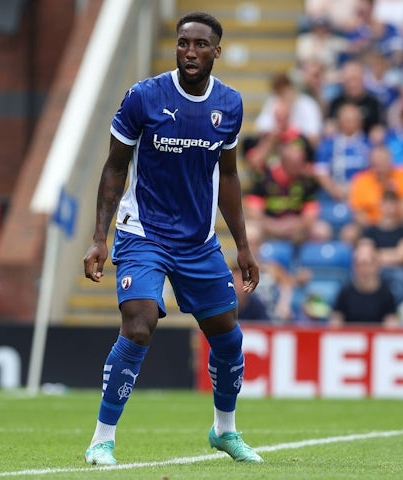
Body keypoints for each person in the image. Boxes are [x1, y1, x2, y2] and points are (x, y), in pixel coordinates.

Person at [82, 12, 263, 465]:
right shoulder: (144, 97)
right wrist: (98, 238)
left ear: (216, 51)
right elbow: (114, 167)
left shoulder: (230, 104)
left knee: (227, 336)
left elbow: (229, 175)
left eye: (200, 45)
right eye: (183, 44)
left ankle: (224, 431)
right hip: (143, 232)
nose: (190, 53)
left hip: (198, 242)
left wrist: (242, 245)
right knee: (140, 323)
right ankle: (102, 439)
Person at [329, 240, 398, 328]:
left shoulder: (386, 293)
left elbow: (391, 323)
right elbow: (336, 322)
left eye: (368, 264)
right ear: (354, 267)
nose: (364, 269)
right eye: (360, 264)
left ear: (377, 265)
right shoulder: (345, 292)